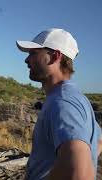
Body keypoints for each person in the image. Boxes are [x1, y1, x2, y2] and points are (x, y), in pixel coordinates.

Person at [16, 28, 102, 180]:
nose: (27, 60)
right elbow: (98, 141)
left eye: (33, 53)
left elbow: (79, 174)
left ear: (55, 56)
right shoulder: (77, 98)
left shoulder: (62, 102)